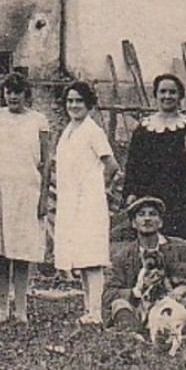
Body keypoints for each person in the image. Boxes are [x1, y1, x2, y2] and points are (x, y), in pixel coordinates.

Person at [0, 73, 50, 325]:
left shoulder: (39, 120)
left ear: (26, 94)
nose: (13, 96)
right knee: (1, 251)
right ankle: (2, 308)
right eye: (8, 91)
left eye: (18, 92)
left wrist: (43, 198)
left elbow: (47, 161)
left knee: (22, 252)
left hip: (27, 191)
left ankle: (21, 310)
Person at [52, 81, 121, 324]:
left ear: (89, 104)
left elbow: (112, 165)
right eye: (70, 101)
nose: (74, 105)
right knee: (80, 257)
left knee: (92, 258)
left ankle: (97, 311)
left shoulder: (93, 130)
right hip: (71, 202)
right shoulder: (69, 129)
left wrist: (96, 188)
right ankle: (89, 310)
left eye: (79, 101)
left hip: (89, 202)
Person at [103, 196, 186, 329]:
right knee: (119, 305)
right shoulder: (122, 256)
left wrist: (184, 289)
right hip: (139, 307)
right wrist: (136, 291)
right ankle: (132, 330)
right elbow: (108, 293)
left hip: (172, 304)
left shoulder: (179, 247)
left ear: (161, 222)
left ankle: (181, 329)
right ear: (134, 223)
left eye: (153, 214)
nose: (147, 219)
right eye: (141, 215)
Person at [120, 73, 186, 243]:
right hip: (149, 194)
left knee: (179, 242)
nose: (167, 96)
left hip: (181, 196)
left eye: (172, 92)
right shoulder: (144, 127)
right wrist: (130, 192)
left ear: (180, 96)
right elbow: (133, 163)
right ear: (155, 95)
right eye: (162, 92)